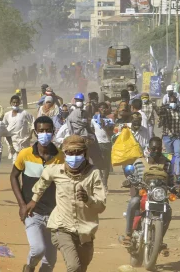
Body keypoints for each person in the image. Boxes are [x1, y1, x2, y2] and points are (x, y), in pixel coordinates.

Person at [26, 135, 106, 272]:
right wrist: (34, 200)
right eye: (70, 153)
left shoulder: (94, 174)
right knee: (73, 267)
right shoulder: (55, 170)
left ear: (84, 153)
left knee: (82, 267)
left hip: (86, 230)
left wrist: (88, 199)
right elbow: (42, 183)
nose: (74, 157)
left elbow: (101, 206)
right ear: (64, 153)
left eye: (78, 153)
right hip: (61, 227)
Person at [10, 116, 65, 272]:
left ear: (53, 132)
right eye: (41, 130)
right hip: (32, 211)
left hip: (54, 214)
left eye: (48, 130)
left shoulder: (60, 157)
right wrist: (22, 204)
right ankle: (29, 267)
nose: (44, 133)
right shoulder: (25, 154)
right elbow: (14, 176)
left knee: (50, 260)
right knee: (38, 249)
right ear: (35, 132)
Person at [121, 137, 174, 251]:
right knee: (133, 202)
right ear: (149, 149)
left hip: (160, 196)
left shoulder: (167, 163)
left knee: (168, 212)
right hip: (143, 194)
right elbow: (133, 177)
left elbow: (171, 180)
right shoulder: (139, 162)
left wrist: (177, 186)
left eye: (159, 148)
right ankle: (128, 234)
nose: (156, 151)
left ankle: (160, 240)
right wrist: (129, 181)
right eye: (153, 148)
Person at [3, 95, 35, 163]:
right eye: (13, 102)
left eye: (17, 102)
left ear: (19, 103)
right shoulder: (7, 115)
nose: (15, 104)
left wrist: (30, 134)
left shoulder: (24, 113)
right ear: (10, 103)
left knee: (25, 161)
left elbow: (33, 122)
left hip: (24, 140)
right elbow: (4, 126)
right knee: (16, 161)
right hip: (13, 141)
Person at [91, 102, 115, 190]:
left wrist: (104, 125)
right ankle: (100, 182)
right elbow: (92, 131)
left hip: (107, 144)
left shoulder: (110, 121)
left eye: (105, 108)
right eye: (101, 108)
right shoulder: (94, 120)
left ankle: (105, 182)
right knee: (98, 164)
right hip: (98, 144)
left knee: (106, 165)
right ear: (98, 109)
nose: (103, 110)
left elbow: (111, 133)